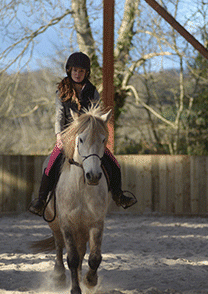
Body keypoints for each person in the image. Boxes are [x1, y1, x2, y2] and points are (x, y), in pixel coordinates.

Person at [28, 52, 137, 216]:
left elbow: (97, 114)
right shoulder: (61, 92)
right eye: (75, 71)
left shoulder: (93, 91)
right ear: (69, 71)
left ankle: (118, 195)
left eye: (81, 71)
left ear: (86, 73)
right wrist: (59, 136)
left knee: (114, 163)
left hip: (88, 136)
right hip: (67, 136)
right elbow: (58, 115)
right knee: (50, 164)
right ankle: (41, 200)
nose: (77, 74)